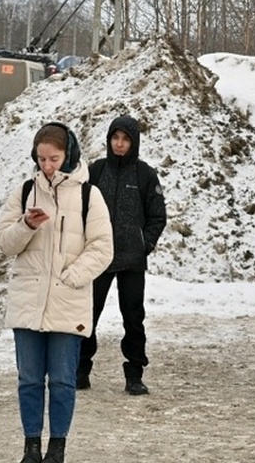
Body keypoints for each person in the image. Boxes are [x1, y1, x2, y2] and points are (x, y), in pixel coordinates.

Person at [0, 122, 114, 463]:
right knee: (29, 380)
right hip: (28, 300)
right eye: (41, 159)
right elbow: (3, 242)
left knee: (62, 380)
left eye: (54, 158)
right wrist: (26, 225)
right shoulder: (23, 192)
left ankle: (56, 450)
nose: (47, 166)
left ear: (69, 154)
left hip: (68, 300)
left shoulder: (90, 196)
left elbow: (103, 248)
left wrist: (72, 276)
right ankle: (31, 448)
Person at [78, 115, 167, 395]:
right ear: (109, 140)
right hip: (98, 257)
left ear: (133, 142)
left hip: (131, 260)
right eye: (115, 138)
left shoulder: (145, 175)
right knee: (88, 314)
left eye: (125, 139)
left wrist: (145, 244)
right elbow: (80, 210)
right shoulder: (96, 171)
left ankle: (134, 373)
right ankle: (80, 369)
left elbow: (157, 216)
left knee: (133, 317)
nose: (119, 144)